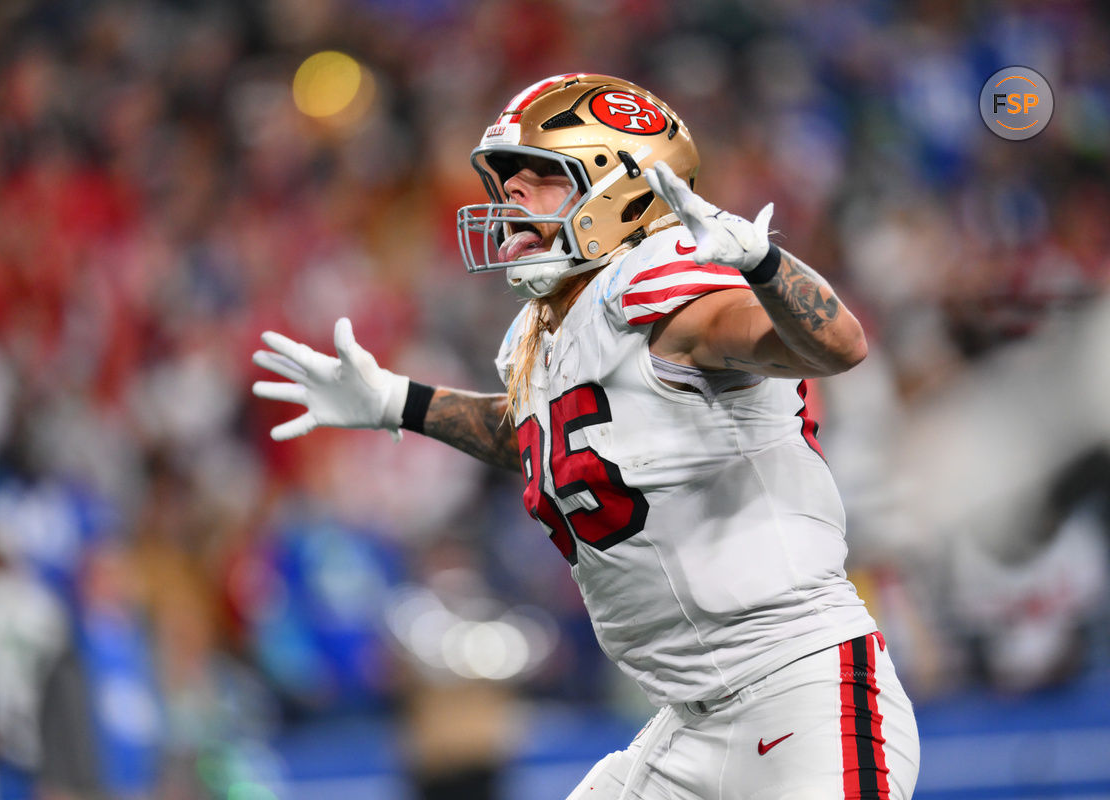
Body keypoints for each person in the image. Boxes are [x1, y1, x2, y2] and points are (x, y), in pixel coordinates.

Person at [252, 73, 920, 800]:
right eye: (507, 179)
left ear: (622, 190)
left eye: (542, 177)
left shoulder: (660, 282)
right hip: (691, 721)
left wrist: (762, 265)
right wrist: (398, 402)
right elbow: (552, 441)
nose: (511, 198)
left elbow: (836, 345)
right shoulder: (545, 331)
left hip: (801, 691)